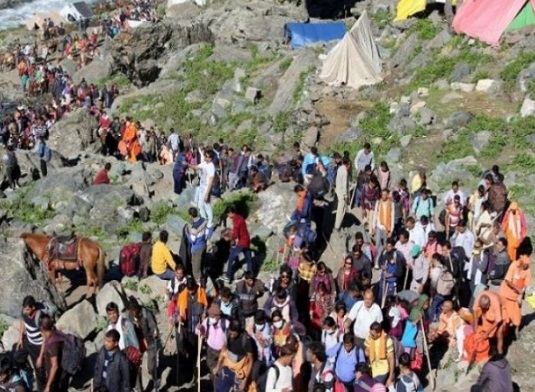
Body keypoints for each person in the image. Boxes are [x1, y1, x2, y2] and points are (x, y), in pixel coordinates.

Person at [500, 237, 532, 337]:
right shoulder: (514, 265)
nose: (525, 267)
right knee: (504, 316)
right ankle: (503, 333)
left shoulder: (528, 271)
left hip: (515, 297)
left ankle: (515, 332)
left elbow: (526, 285)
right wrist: (518, 289)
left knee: (517, 317)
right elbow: (508, 280)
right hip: (505, 294)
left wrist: (520, 295)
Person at [213, 320, 255, 392]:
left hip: (240, 372)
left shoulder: (246, 340)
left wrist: (245, 379)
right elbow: (223, 350)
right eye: (231, 333)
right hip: (227, 369)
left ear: (239, 331)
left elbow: (251, 360)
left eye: (234, 334)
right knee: (220, 389)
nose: (232, 336)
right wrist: (218, 366)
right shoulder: (227, 334)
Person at [127, 297, 159, 389]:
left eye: (134, 310)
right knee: (136, 367)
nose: (133, 313)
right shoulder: (129, 316)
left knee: (151, 366)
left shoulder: (146, 313)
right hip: (136, 342)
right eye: (131, 311)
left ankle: (154, 376)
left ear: (138, 308)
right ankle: (139, 388)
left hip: (149, 340)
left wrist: (155, 331)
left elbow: (153, 325)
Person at [17, 296, 46, 391]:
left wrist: (41, 357)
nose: (25, 311)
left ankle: (41, 388)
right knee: (17, 354)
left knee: (39, 369)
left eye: (27, 309)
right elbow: (22, 321)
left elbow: (45, 338)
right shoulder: (24, 312)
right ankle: (28, 371)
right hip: (28, 341)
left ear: (33, 308)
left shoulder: (40, 318)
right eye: (24, 309)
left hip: (38, 346)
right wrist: (21, 337)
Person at [197, 303, 229, 391]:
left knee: (219, 372)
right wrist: (200, 329)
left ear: (218, 316)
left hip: (221, 352)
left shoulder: (226, 324)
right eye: (209, 315)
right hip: (210, 350)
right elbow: (199, 332)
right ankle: (214, 384)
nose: (210, 317)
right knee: (212, 369)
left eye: (212, 316)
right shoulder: (207, 321)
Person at [188, 148, 215, 237]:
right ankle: (204, 220)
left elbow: (211, 181)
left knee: (207, 206)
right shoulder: (204, 163)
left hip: (206, 188)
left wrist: (207, 193)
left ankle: (210, 224)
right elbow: (196, 167)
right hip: (201, 187)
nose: (206, 158)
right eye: (205, 156)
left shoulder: (211, 167)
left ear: (211, 158)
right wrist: (188, 164)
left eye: (208, 157)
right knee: (200, 206)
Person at [224, 206, 253, 282]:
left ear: (230, 213)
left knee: (231, 257)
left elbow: (235, 234)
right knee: (248, 259)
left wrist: (230, 239)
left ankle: (228, 276)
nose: (228, 216)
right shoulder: (240, 217)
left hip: (242, 242)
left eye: (228, 214)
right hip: (247, 239)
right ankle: (251, 276)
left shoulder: (236, 221)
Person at [40, 315, 68, 392]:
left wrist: (48, 386)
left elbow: (55, 366)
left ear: (42, 329)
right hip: (59, 375)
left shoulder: (52, 344)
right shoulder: (54, 334)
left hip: (57, 378)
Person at [184, 207, 208, 281]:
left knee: (196, 269)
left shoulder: (194, 228)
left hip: (197, 249)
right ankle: (204, 276)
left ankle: (199, 283)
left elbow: (192, 241)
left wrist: (187, 233)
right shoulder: (203, 220)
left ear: (190, 216)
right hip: (204, 244)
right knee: (202, 263)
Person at [373, 189, 395, 265]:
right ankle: (376, 261)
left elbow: (392, 217)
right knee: (377, 244)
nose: (383, 196)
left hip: (387, 228)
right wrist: (373, 226)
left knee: (386, 245)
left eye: (385, 195)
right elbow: (375, 214)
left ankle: (384, 260)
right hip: (379, 226)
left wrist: (391, 230)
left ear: (388, 195)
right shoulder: (378, 202)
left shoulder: (391, 204)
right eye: (382, 195)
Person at [334, 157, 350, 233]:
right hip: (342, 195)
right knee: (341, 211)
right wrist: (346, 196)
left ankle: (336, 224)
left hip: (337, 190)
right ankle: (337, 226)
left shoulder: (340, 168)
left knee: (337, 209)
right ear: (348, 164)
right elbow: (344, 185)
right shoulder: (345, 171)